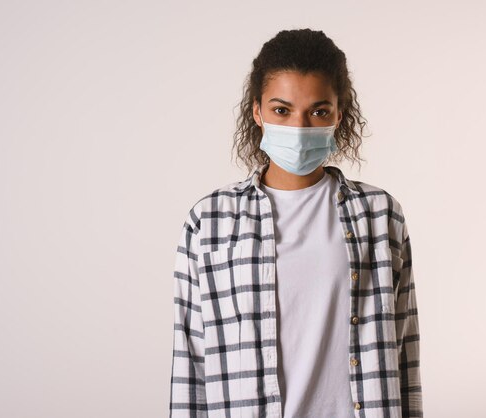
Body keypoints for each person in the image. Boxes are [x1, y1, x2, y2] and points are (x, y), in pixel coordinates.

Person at [169, 28, 423, 418]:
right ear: (257, 111)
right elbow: (191, 364)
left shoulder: (379, 215)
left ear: (339, 113)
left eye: (318, 111)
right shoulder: (209, 222)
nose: (300, 128)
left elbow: (404, 353)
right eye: (281, 110)